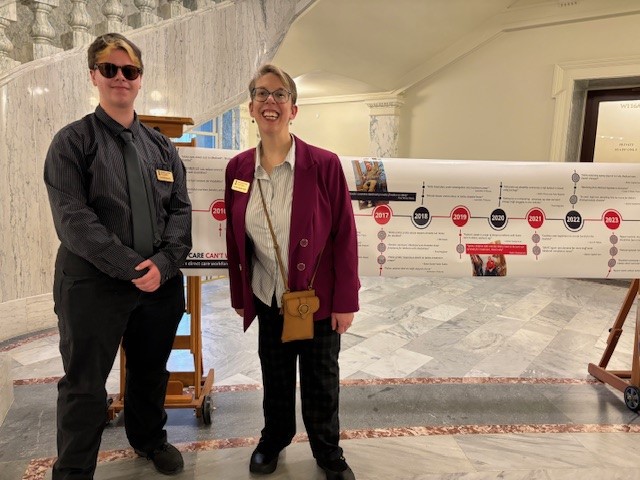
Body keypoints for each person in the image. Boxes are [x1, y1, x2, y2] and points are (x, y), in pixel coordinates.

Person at [43, 33, 192, 479]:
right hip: (93, 285)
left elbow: (181, 211)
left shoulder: (161, 148)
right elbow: (73, 221)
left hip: (158, 286)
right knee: (85, 385)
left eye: (130, 71)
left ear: (140, 79)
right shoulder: (72, 142)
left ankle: (150, 439)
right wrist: (131, 267)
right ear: (94, 75)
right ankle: (73, 469)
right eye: (110, 69)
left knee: (151, 373)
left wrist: (164, 265)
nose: (120, 78)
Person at [224, 64, 360, 480]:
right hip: (269, 296)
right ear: (251, 107)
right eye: (262, 94)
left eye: (280, 94)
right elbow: (237, 239)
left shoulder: (324, 165)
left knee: (321, 381)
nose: (271, 101)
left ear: (293, 109)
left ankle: (328, 451)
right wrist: (240, 295)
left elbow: (344, 236)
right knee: (276, 378)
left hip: (316, 299)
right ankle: (274, 439)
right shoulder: (238, 170)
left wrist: (345, 302)